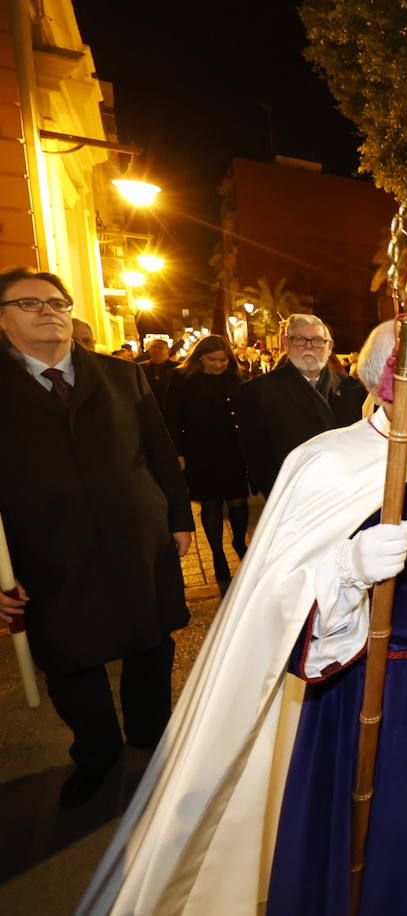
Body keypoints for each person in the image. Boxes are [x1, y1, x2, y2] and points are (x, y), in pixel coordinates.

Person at [77, 318, 407, 915]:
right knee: (395, 843)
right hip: (385, 698)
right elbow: (281, 605)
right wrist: (348, 570)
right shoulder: (329, 463)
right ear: (398, 380)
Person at [0, 267, 193, 808]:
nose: (49, 311)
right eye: (29, 303)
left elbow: (161, 454)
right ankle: (97, 753)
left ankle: (151, 738)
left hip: (136, 540)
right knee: (69, 657)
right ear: (2, 320)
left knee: (151, 645)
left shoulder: (122, 376)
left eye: (58, 302)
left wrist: (180, 518)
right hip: (45, 553)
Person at [235, 314, 367, 496]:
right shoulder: (258, 391)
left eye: (317, 340)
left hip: (341, 491)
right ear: (286, 344)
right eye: (299, 339)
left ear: (329, 347)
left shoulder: (353, 389)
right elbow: (254, 448)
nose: (309, 346)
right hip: (287, 491)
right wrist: (271, 488)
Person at [164, 335, 251, 591]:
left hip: (232, 449)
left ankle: (239, 541)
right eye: (212, 360)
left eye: (223, 360)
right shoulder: (182, 379)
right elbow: (172, 417)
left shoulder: (236, 376)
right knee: (211, 504)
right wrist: (177, 452)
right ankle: (217, 554)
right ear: (200, 357)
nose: (218, 364)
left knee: (238, 500)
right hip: (199, 449)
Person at [140, 338, 179, 408]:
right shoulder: (140, 368)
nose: (156, 349)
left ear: (168, 350)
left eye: (161, 347)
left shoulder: (177, 368)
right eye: (153, 347)